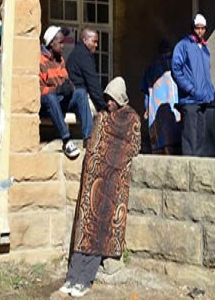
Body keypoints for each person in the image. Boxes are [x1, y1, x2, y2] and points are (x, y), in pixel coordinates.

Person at [59, 77, 141, 298]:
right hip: (93, 180)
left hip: (112, 182)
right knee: (85, 227)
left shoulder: (131, 118)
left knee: (100, 230)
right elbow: (95, 144)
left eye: (112, 99)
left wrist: (111, 166)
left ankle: (84, 280)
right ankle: (72, 277)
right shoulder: (102, 117)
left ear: (120, 98)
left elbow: (131, 147)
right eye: (106, 98)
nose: (108, 103)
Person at [39, 25, 93, 160]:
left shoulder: (60, 60)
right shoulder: (40, 61)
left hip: (61, 100)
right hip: (47, 105)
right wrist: (57, 90)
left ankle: (89, 138)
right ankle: (66, 140)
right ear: (51, 43)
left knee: (80, 93)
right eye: (60, 42)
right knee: (50, 97)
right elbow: (39, 91)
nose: (63, 46)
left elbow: (67, 82)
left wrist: (70, 88)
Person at [171, 13, 215, 157]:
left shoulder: (204, 48)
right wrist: (190, 89)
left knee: (201, 140)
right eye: (197, 28)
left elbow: (205, 72)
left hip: (203, 99)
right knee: (190, 139)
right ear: (192, 28)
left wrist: (210, 91)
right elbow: (176, 69)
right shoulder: (183, 46)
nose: (200, 31)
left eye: (203, 29)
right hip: (190, 100)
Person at [141, 39, 180, 154]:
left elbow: (146, 92)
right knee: (172, 147)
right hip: (173, 110)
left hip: (156, 112)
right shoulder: (174, 65)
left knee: (158, 148)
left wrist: (147, 109)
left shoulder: (151, 67)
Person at [66, 28, 107, 114]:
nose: (96, 45)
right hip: (81, 98)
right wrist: (103, 106)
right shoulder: (83, 56)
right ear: (84, 40)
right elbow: (92, 83)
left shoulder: (77, 52)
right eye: (94, 41)